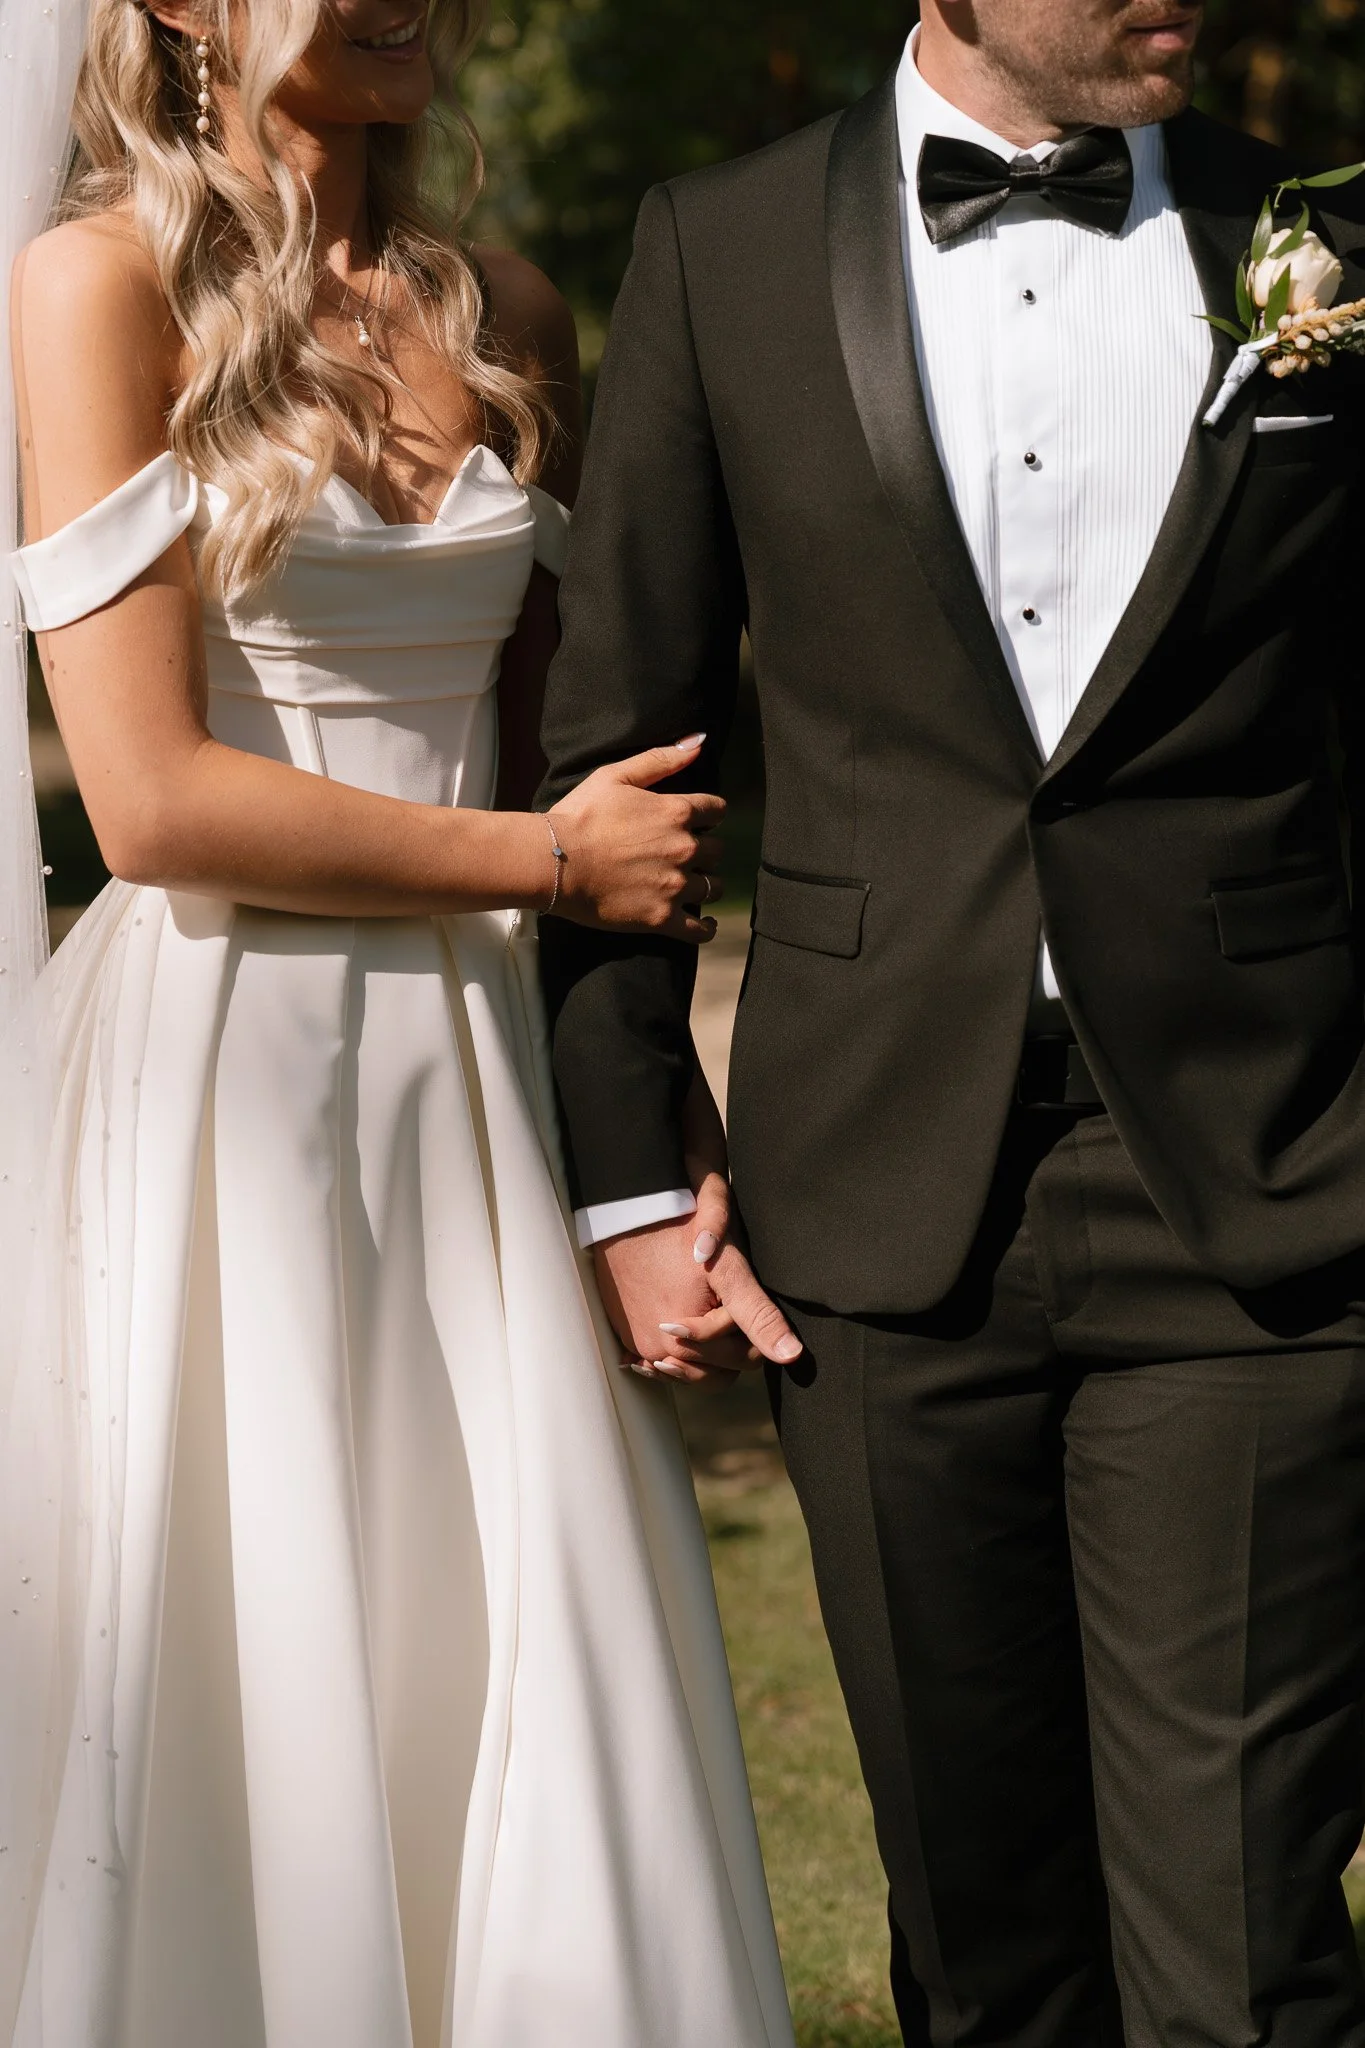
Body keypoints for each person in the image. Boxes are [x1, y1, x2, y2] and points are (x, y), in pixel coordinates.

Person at [537, 1, 1365, 2041]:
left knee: (1244, 1962)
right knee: (984, 1964)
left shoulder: (1329, 245)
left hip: (1259, 1192)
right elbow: (621, 744)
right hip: (871, 1202)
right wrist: (630, 1172)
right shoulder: (719, 247)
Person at [0, 4, 800, 2044]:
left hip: (488, 1085)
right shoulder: (94, 289)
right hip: (221, 1087)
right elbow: (149, 804)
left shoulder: (504, 309)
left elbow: (581, 747)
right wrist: (544, 863)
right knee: (247, 1647)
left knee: (520, 1623)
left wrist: (654, 1129)